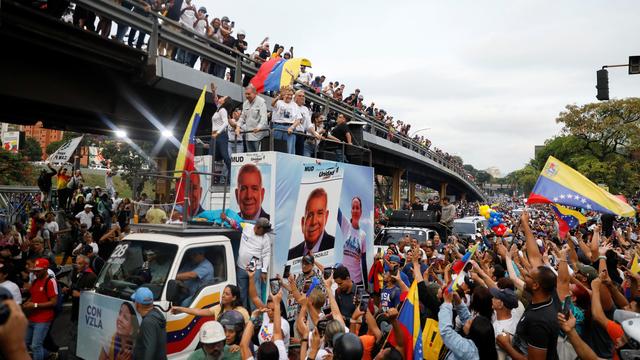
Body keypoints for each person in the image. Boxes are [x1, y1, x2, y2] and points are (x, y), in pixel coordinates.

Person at [439, 288, 498, 359]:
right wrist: (458, 301)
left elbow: (446, 332)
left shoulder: (467, 350)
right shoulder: (482, 346)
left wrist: (447, 303)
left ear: (473, 333)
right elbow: (466, 317)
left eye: (470, 322)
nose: (468, 320)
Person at [23, 258, 58, 360]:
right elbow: (34, 295)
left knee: (35, 346)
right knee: (25, 343)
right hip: (32, 317)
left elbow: (53, 302)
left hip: (43, 319)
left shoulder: (50, 281)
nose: (36, 273)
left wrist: (34, 305)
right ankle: (49, 354)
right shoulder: (35, 281)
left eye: (38, 271)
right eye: (35, 271)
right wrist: (28, 302)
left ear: (45, 269)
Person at [288, 188, 335, 260]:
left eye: (319, 213)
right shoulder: (290, 255)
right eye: (310, 215)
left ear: (326, 217)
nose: (313, 222)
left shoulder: (335, 246)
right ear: (302, 223)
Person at [236, 218, 271, 310]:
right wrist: (226, 219)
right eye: (264, 230)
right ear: (258, 227)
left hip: (254, 268)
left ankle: (256, 317)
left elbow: (266, 255)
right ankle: (243, 314)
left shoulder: (265, 238)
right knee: (241, 293)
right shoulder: (247, 227)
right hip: (241, 266)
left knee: (254, 294)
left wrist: (264, 270)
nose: (265, 233)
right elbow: (235, 224)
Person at [171, 284, 249, 322]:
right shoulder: (218, 308)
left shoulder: (242, 311)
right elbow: (198, 311)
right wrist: (180, 308)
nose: (223, 296)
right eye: (223, 293)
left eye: (227, 294)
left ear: (234, 297)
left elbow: (248, 331)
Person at [131, 287, 167, 360]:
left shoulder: (148, 322)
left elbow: (149, 349)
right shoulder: (156, 314)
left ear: (137, 304)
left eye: (134, 301)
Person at [339, 196, 368, 285]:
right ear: (351, 210)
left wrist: (366, 285)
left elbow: (363, 262)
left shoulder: (363, 235)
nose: (355, 210)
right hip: (344, 280)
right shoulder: (346, 225)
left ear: (361, 211)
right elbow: (336, 209)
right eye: (353, 208)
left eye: (357, 208)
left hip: (357, 281)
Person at [236, 84, 268, 153]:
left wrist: (259, 127)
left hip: (260, 135)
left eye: (249, 94)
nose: (247, 96)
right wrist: (238, 127)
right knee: (250, 156)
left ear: (255, 93)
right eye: (246, 94)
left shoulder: (261, 101)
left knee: (259, 157)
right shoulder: (245, 104)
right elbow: (242, 117)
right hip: (248, 134)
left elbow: (264, 117)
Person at [271, 86, 302, 154]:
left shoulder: (294, 105)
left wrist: (292, 127)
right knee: (276, 148)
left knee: (289, 150)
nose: (290, 96)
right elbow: (272, 104)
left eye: (291, 95)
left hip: (289, 128)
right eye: (288, 94)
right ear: (284, 95)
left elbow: (298, 119)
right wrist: (278, 96)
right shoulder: (279, 102)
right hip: (278, 127)